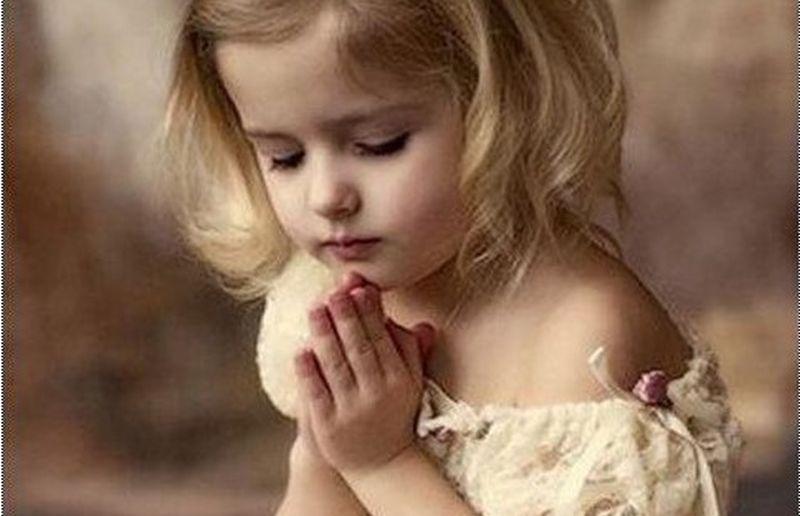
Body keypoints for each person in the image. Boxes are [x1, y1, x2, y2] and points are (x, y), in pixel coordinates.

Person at [161, 1, 744, 514]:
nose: (325, 197)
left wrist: (380, 462)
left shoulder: (583, 338)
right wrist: (323, 453)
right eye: (284, 157)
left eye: (379, 145)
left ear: (505, 105)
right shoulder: (338, 286)